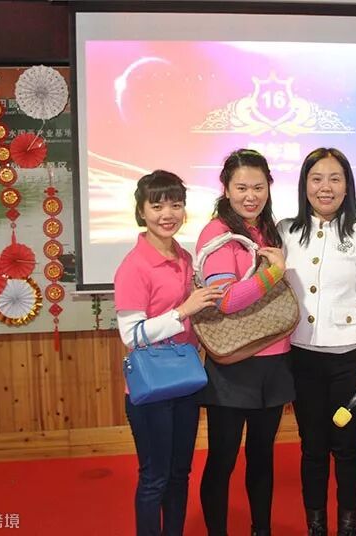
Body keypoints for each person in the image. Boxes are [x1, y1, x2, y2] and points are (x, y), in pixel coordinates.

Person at [278, 147, 356, 536]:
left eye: (334, 179)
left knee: (347, 447)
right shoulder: (286, 231)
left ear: (347, 185)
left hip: (348, 361)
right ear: (304, 184)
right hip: (301, 359)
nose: (325, 187)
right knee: (312, 448)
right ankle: (316, 527)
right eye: (317, 178)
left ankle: (349, 527)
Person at [114, 170, 223, 536]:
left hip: (186, 383)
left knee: (180, 474)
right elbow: (132, 335)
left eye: (176, 205)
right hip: (151, 389)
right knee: (154, 478)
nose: (168, 214)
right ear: (141, 211)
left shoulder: (184, 257)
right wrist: (183, 311)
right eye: (157, 206)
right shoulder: (134, 266)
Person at [196, 149, 295, 536]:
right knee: (222, 460)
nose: (250, 196)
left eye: (258, 187)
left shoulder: (267, 230)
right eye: (241, 188)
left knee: (262, 457)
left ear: (269, 186)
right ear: (226, 188)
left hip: (274, 360)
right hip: (233, 365)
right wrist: (274, 273)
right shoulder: (217, 233)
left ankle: (261, 530)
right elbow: (225, 300)